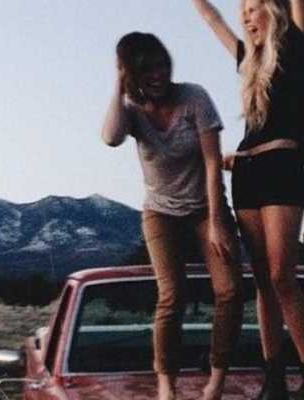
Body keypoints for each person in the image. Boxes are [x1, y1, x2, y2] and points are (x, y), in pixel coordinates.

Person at [190, 1, 304, 399]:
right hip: (247, 173)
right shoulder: (247, 59)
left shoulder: (299, 46)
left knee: (282, 275)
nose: (246, 17)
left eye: (253, 8)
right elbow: (211, 18)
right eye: (243, 11)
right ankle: (274, 379)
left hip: (283, 169)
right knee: (263, 281)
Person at [100, 32, 243, 400]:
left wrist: (216, 222)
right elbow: (111, 137)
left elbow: (212, 162)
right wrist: (118, 82)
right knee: (172, 296)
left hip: (206, 207)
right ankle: (167, 386)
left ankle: (216, 381)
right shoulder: (131, 109)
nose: (157, 74)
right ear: (132, 73)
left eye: (161, 64)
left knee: (229, 289)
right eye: (146, 69)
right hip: (160, 213)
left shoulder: (194, 97)